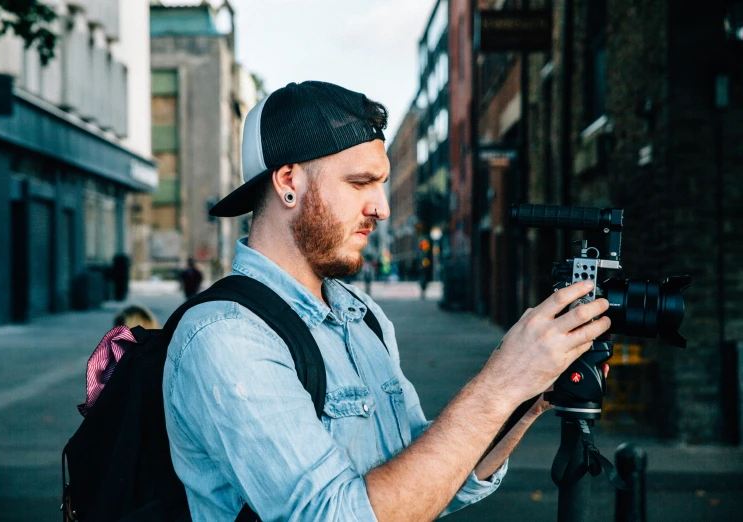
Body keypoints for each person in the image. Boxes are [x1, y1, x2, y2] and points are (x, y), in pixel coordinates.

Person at [162, 81, 611, 521]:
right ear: (288, 181)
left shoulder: (363, 318)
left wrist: (528, 391)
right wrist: (498, 386)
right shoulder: (227, 337)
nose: (383, 208)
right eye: (361, 183)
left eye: (382, 185)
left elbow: (431, 482)